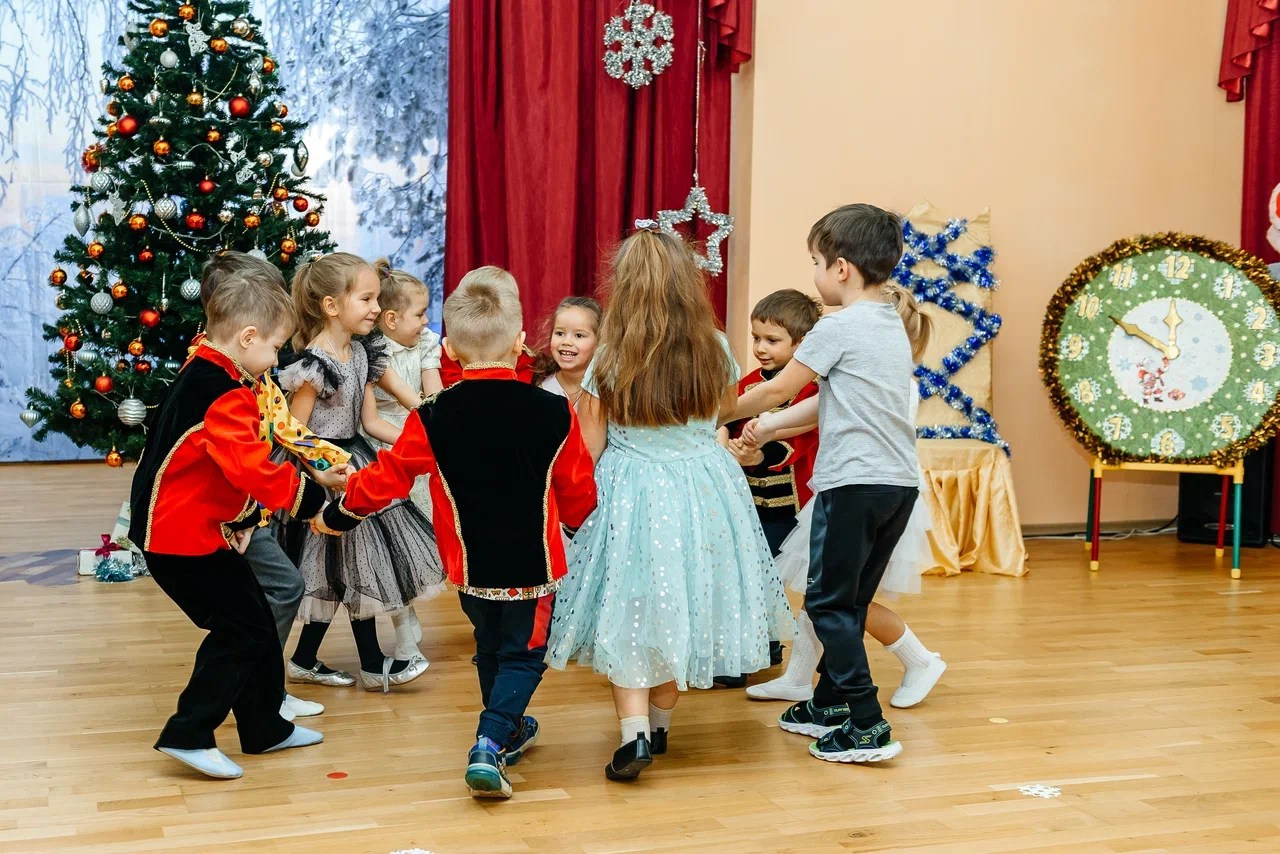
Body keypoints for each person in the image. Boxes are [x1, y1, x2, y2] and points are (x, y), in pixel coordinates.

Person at [315, 267, 597, 799]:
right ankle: (489, 742)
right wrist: (577, 520)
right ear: (519, 344)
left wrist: (337, 513)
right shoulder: (554, 412)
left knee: (489, 646)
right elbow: (579, 487)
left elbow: (389, 476)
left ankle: (507, 730)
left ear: (448, 346)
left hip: (469, 566)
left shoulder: (434, 416)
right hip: (534, 565)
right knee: (523, 654)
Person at [545, 226, 794, 781]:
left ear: (624, 287)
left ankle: (633, 734)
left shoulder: (609, 356)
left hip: (631, 489)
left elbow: (589, 445)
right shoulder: (716, 348)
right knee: (683, 602)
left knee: (629, 607)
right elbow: (723, 412)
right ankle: (658, 725)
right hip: (705, 489)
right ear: (687, 284)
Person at [129, 265, 347, 779]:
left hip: (194, 530)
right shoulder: (225, 395)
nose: (276, 359)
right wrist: (316, 501)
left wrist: (247, 515)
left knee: (253, 619)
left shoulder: (212, 369)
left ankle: (264, 725)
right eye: (274, 348)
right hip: (179, 540)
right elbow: (255, 467)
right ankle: (189, 731)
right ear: (247, 337)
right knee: (241, 629)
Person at [731, 203, 920, 764]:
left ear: (840, 268)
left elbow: (775, 391)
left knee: (827, 603)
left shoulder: (837, 327)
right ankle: (830, 702)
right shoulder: (888, 324)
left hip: (852, 485)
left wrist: (713, 409)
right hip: (896, 486)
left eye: (815, 261)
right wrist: (766, 428)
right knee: (852, 602)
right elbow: (824, 406)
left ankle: (867, 724)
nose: (813, 273)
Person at [281, 252, 444, 693]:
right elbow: (293, 430)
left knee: (347, 569)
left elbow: (370, 423)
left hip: (357, 461)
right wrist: (321, 475)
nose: (377, 308)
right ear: (332, 305)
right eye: (367, 299)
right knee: (356, 566)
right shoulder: (314, 363)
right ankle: (373, 666)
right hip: (326, 470)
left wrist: (432, 436)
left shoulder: (361, 352)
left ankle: (304, 659)